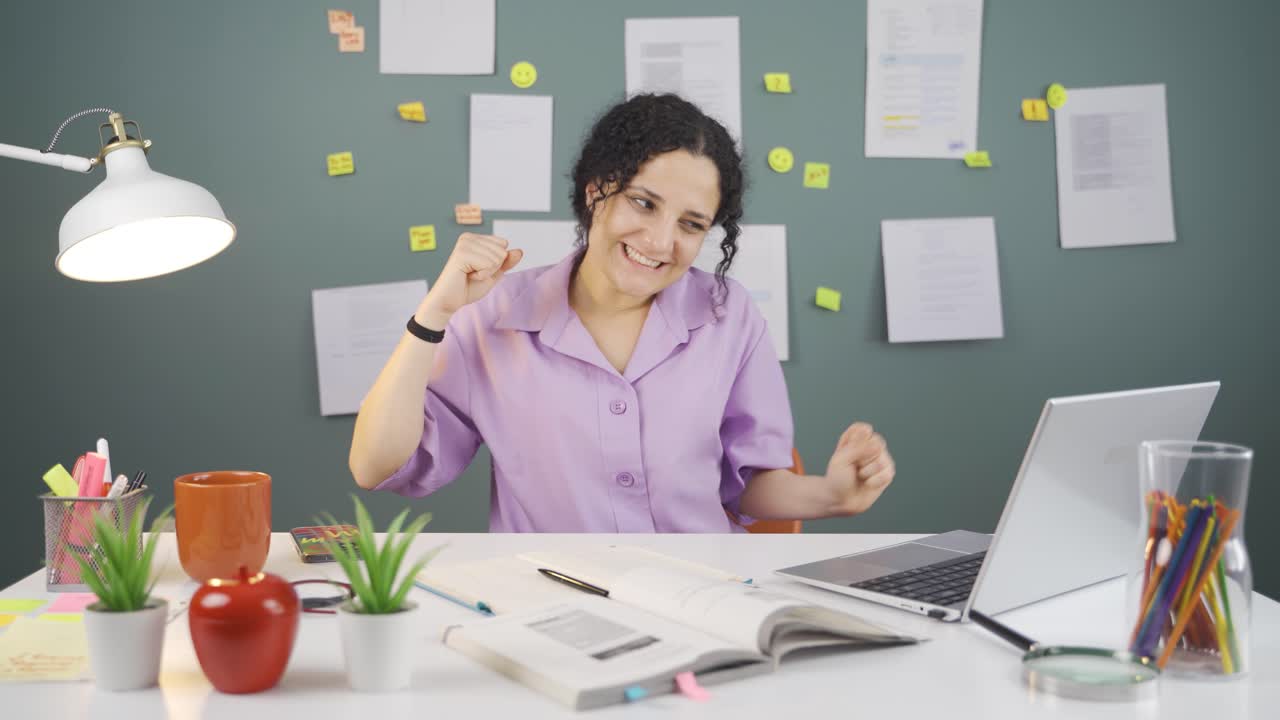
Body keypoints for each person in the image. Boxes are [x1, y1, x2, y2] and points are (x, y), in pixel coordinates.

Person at [348, 93, 895, 532]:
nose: (660, 240)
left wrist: (834, 495)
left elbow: (746, 483)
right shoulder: (492, 315)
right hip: (551, 605)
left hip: (700, 594)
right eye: (643, 202)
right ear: (596, 192)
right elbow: (377, 466)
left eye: (691, 224)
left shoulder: (730, 317)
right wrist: (434, 315)